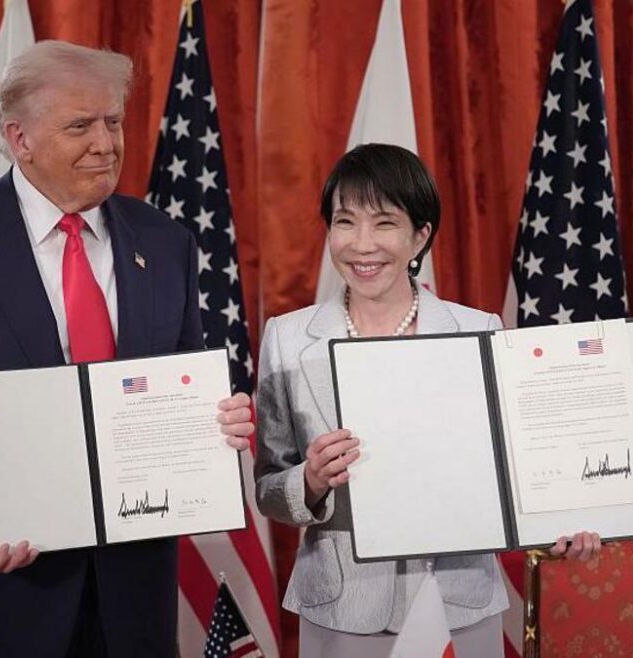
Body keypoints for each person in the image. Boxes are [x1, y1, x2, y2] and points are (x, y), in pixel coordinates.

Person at [0, 41, 254, 657]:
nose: (105, 143)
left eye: (113, 121)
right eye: (80, 126)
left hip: (128, 605)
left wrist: (216, 420)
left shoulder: (166, 242)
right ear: (20, 138)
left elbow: (178, 383)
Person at [254, 143, 601, 656]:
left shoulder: (479, 330)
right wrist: (310, 481)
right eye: (345, 222)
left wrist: (561, 523)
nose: (362, 245)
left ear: (420, 235)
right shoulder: (286, 338)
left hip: (459, 604)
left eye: (385, 224)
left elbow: (516, 472)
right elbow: (267, 486)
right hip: (341, 609)